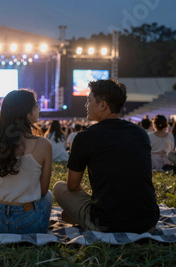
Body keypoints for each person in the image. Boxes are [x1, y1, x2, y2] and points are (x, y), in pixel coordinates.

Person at [53, 79, 159, 234]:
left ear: (103, 105)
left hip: (106, 224)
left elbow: (72, 186)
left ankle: (82, 216)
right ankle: (81, 214)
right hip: (147, 223)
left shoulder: (84, 137)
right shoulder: (140, 133)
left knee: (59, 187)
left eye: (89, 101)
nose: (86, 106)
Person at [0, 89, 53, 234]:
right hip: (28, 224)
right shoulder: (43, 144)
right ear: (27, 112)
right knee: (48, 195)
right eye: (36, 105)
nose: (39, 109)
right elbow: (43, 191)